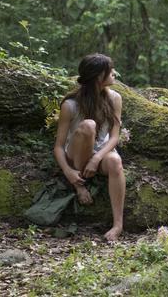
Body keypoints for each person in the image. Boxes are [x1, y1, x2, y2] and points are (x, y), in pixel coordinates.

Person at [53, 53, 125, 241]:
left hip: (101, 151)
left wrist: (97, 157)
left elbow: (114, 136)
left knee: (116, 161)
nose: (114, 73)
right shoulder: (70, 105)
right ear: (99, 77)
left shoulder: (115, 98)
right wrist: (68, 171)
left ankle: (118, 225)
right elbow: (59, 146)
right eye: (110, 71)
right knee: (88, 126)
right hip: (75, 153)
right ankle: (79, 185)